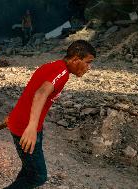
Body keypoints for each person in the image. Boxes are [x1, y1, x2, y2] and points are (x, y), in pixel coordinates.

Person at [5, 40, 96, 189]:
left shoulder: (52, 66)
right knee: (38, 176)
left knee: (29, 171)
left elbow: (31, 91)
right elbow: (40, 93)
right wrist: (32, 128)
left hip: (22, 124)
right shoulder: (62, 73)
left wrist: (14, 115)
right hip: (26, 129)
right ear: (75, 59)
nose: (89, 67)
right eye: (88, 62)